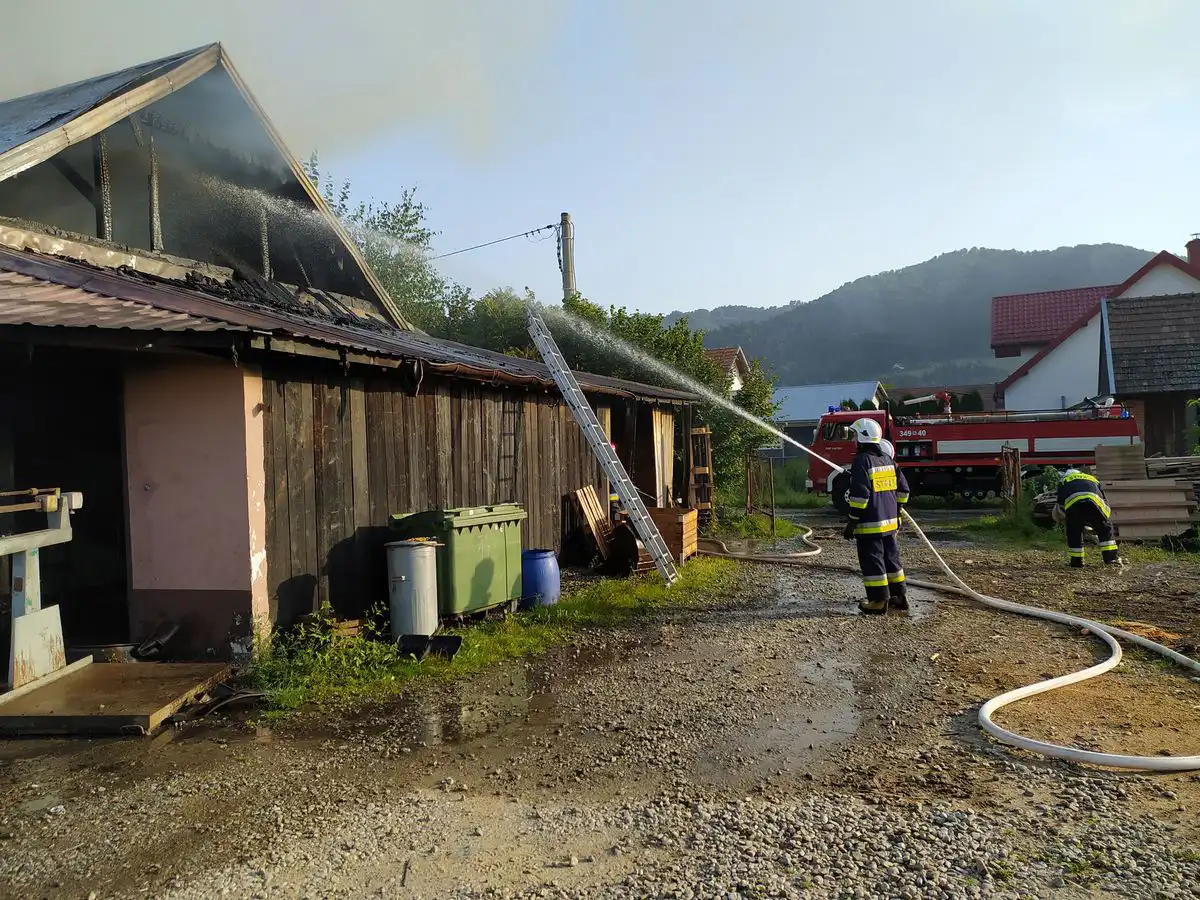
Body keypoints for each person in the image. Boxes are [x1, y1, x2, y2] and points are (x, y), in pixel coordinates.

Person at [842, 418, 910, 614]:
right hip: (890, 525)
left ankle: (878, 601)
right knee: (892, 560)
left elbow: (860, 497)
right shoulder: (888, 460)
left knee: (873, 562)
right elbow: (904, 490)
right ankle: (899, 596)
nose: (853, 440)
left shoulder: (862, 461)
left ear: (863, 437)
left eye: (855, 435)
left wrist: (852, 522)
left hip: (870, 524)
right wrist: (896, 512)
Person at [1053, 467, 1119, 567]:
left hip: (1074, 505)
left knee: (1074, 531)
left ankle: (1077, 562)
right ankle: (1110, 559)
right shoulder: (1092, 478)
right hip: (1095, 502)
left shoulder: (1064, 480)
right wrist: (1104, 519)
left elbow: (1060, 502)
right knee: (1105, 528)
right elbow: (1104, 498)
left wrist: (1067, 519)